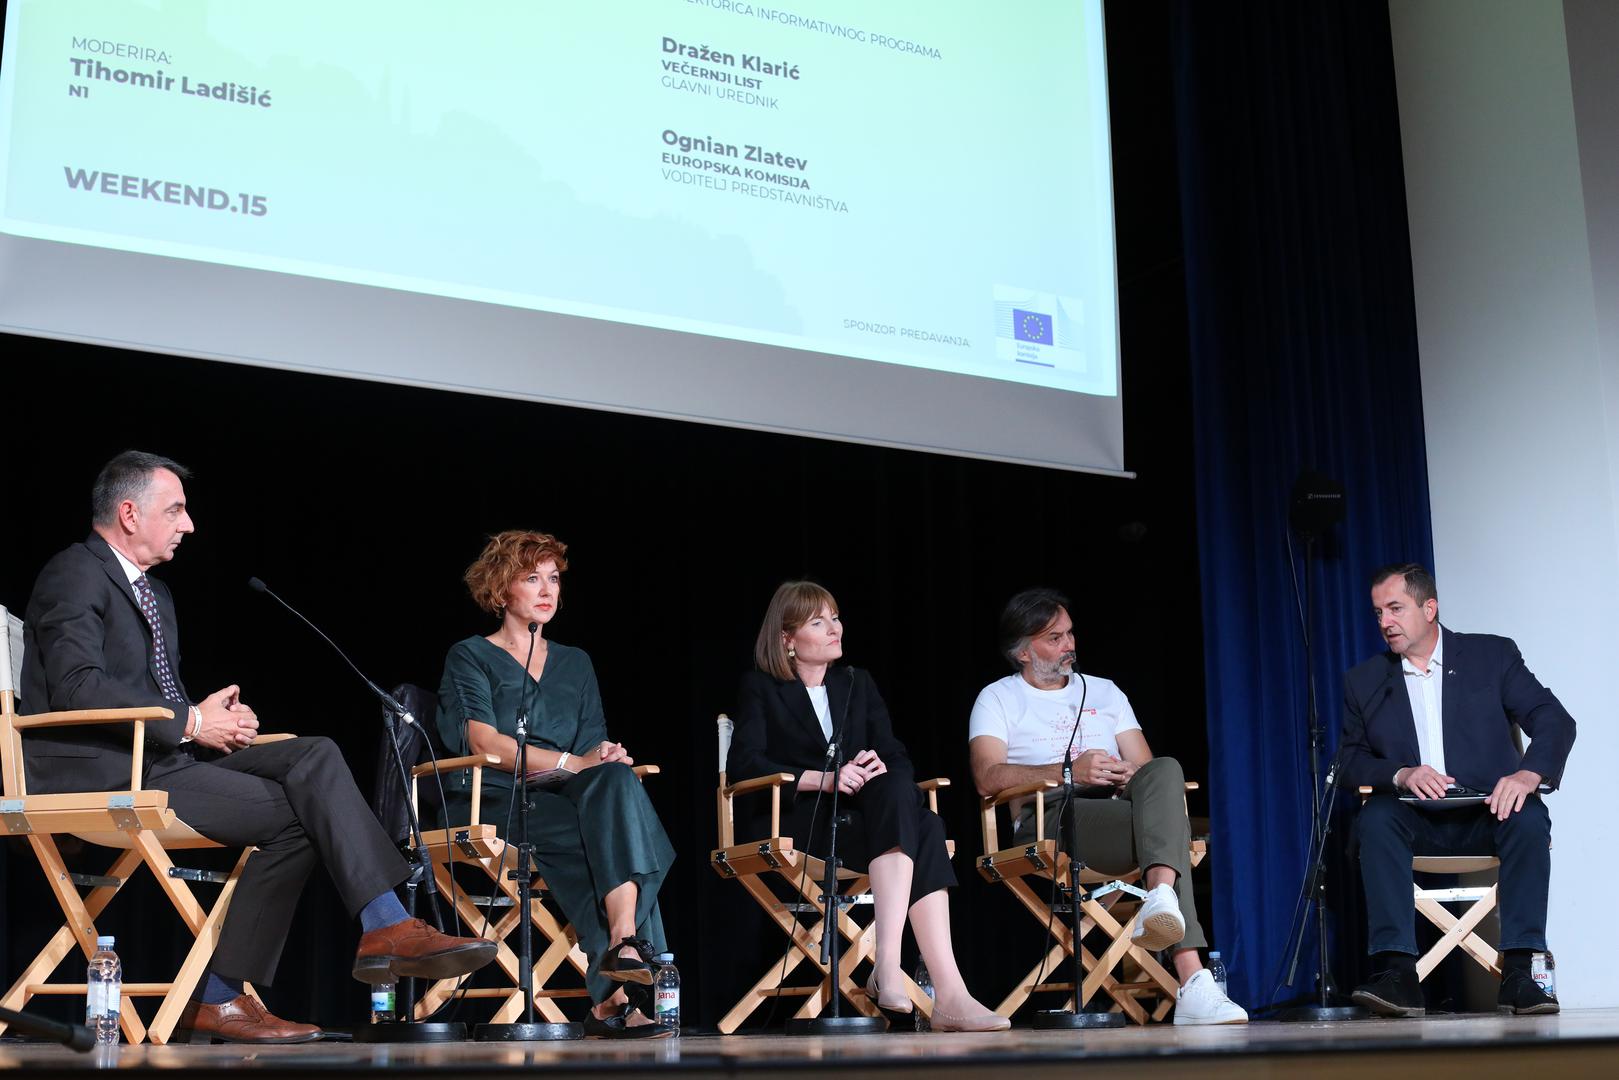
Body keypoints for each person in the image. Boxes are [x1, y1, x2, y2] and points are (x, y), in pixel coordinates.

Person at [19, 451, 496, 1043]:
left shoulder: (156, 594)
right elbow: (76, 686)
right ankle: (236, 991)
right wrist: (193, 722)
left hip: (160, 757)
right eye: (175, 510)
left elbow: (149, 695)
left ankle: (383, 927)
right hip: (102, 772)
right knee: (302, 815)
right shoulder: (74, 572)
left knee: (314, 752)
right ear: (128, 513)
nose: (189, 524)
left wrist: (215, 719)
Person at [730, 581, 1009, 1033]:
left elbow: (896, 754)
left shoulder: (857, 683)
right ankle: (940, 990)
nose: (834, 628)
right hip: (805, 824)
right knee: (926, 827)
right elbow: (743, 763)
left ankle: (909, 973)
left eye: (835, 618)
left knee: (901, 793)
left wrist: (876, 764)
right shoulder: (761, 687)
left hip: (868, 823)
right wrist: (824, 779)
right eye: (818, 622)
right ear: (787, 638)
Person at [435, 530, 676, 1039]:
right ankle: (618, 994)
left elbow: (594, 745)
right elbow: (484, 741)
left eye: (554, 579)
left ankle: (623, 944)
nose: (547, 590)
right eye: (531, 578)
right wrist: (573, 761)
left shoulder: (576, 661)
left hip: (566, 796)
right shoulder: (471, 655)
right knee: (608, 837)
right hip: (493, 797)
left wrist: (605, 755)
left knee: (616, 784)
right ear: (501, 592)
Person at [968, 587, 1247, 1026]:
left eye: (1070, 634)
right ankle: (1194, 981)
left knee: (1167, 769)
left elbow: (1148, 770)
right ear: (1022, 651)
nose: (1069, 645)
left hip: (1120, 810)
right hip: (1050, 818)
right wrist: (1068, 772)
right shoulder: (998, 697)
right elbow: (986, 776)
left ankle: (1159, 898)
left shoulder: (1104, 692)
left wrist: (1122, 772)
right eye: (1054, 638)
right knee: (1169, 835)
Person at [1342, 563, 1574, 1017]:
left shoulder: (1492, 657)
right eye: (1377, 613)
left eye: (1395, 608)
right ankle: (1398, 976)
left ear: (1430, 608)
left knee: (1528, 815)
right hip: (1415, 818)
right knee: (1375, 818)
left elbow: (1554, 721)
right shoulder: (1366, 681)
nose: (1384, 621)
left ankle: (1521, 974)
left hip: (1486, 813)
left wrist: (1528, 775)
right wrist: (1401, 773)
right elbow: (1349, 760)